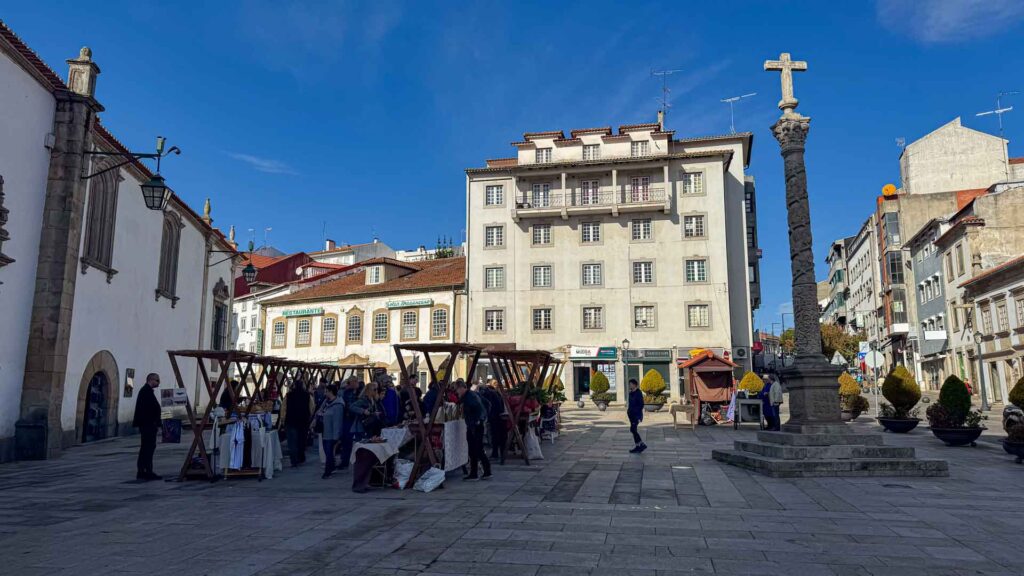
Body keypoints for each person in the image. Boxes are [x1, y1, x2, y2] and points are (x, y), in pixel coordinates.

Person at [349, 383, 385, 493]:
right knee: (362, 458)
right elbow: (352, 407)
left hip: (369, 430)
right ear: (369, 390)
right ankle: (359, 484)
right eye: (374, 389)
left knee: (368, 458)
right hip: (361, 430)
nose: (376, 391)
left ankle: (365, 482)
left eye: (376, 389)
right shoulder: (364, 400)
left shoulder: (373, 401)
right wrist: (363, 411)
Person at [455, 379, 491, 480]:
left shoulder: (469, 397)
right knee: (475, 449)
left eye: (457, 390)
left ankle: (481, 472)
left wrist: (478, 420)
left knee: (476, 449)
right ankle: (478, 472)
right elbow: (487, 404)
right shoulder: (472, 394)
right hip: (474, 425)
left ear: (461, 388)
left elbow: (477, 409)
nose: (457, 392)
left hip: (474, 425)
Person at [133, 373, 163, 480]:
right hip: (148, 425)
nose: (158, 383)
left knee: (147, 447)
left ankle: (144, 471)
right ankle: (146, 471)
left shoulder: (147, 391)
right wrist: (156, 422)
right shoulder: (146, 391)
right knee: (148, 448)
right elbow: (149, 409)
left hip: (148, 424)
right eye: (157, 380)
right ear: (151, 380)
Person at [280, 380, 314, 467]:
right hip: (303, 421)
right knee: (301, 440)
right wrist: (308, 417)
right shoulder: (308, 396)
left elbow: (283, 409)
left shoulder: (288, 396)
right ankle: (300, 457)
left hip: (290, 421)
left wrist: (283, 420)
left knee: (292, 442)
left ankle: (294, 460)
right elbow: (312, 407)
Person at [320, 384, 345, 479]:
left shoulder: (338, 405)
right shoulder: (326, 402)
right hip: (325, 431)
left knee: (329, 452)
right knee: (328, 452)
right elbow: (320, 411)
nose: (324, 393)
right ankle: (331, 467)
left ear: (331, 392)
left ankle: (327, 471)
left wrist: (336, 436)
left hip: (331, 433)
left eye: (326, 391)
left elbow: (338, 421)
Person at [479, 381, 506, 463]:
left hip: (495, 417)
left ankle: (496, 454)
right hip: (499, 416)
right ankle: (500, 453)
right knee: (499, 436)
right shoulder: (495, 393)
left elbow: (488, 406)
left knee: (495, 435)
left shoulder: (488, 394)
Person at [337, 377, 361, 470]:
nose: (357, 383)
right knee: (347, 441)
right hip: (349, 419)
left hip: (352, 419)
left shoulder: (357, 392)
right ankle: (345, 461)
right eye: (355, 382)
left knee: (350, 441)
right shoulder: (347, 392)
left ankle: (347, 461)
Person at [627, 378, 646, 454]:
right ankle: (638, 446)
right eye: (629, 384)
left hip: (636, 415)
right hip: (631, 414)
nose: (630, 385)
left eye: (631, 384)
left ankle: (641, 445)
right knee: (633, 430)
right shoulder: (631, 393)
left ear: (635, 385)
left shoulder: (638, 393)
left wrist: (638, 415)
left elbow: (641, 404)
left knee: (633, 430)